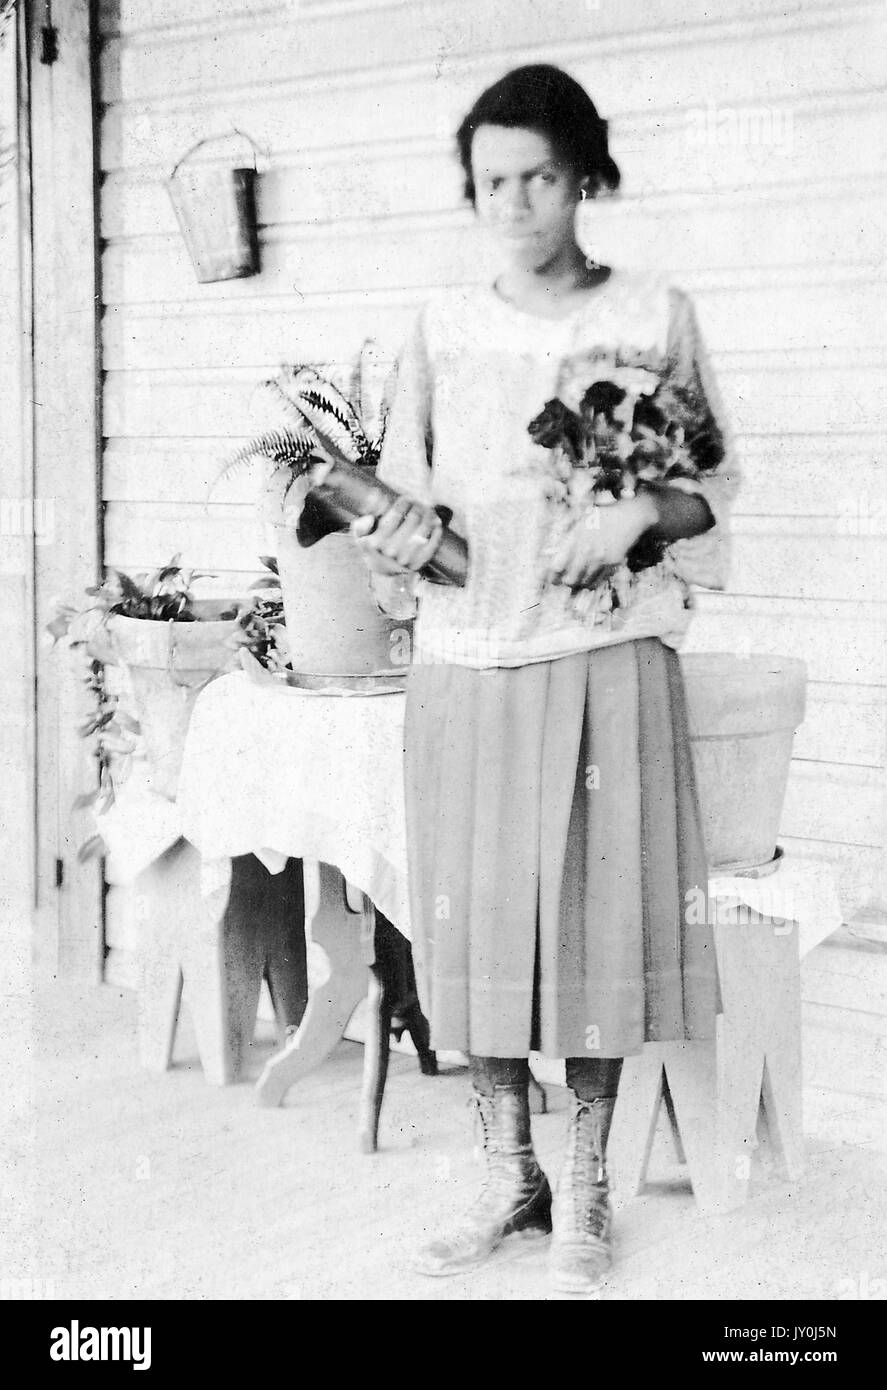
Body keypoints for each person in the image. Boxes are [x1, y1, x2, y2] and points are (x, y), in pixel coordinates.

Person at [352, 63, 739, 1296]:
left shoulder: (650, 316)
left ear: (584, 178)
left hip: (602, 664)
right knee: (472, 929)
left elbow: (712, 490)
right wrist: (393, 538)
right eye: (489, 182)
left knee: (588, 930)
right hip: (470, 665)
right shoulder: (439, 328)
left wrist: (639, 511)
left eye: (536, 177)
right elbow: (402, 505)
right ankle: (503, 1171)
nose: (512, 202)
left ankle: (582, 1189)